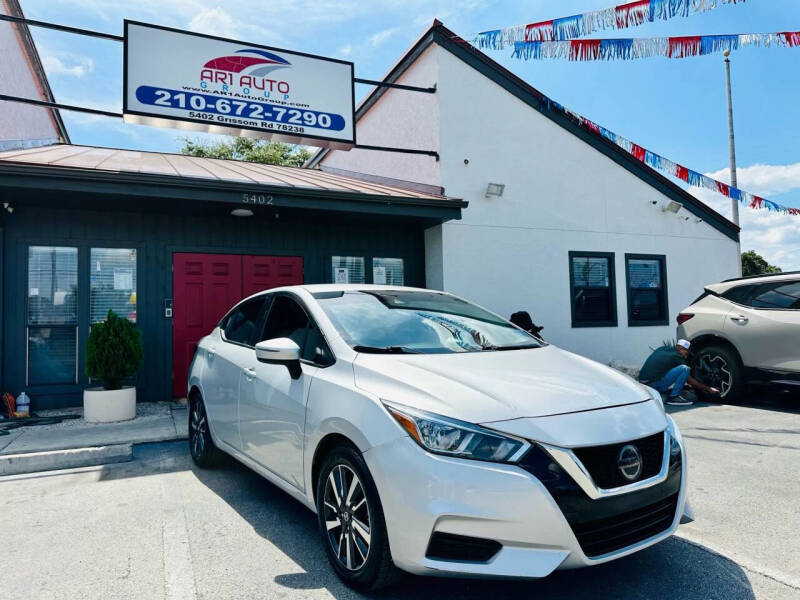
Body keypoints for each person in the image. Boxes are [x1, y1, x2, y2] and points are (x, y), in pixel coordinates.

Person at [638, 339, 720, 406]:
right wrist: (708, 389)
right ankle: (673, 398)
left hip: (642, 384)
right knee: (685, 369)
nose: (686, 356)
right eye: (686, 353)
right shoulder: (677, 356)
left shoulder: (662, 349)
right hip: (652, 386)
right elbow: (689, 380)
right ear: (681, 349)